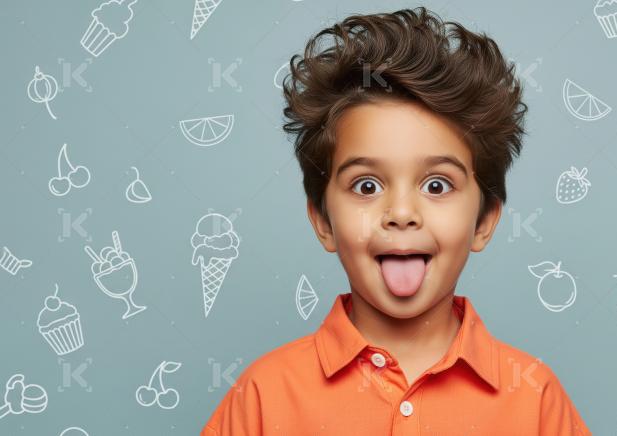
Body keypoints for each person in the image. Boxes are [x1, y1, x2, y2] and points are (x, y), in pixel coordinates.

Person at [202, 7, 591, 435]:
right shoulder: (263, 396)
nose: (402, 214)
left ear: (484, 221)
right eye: (367, 186)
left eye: (438, 186)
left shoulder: (535, 398)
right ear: (323, 221)